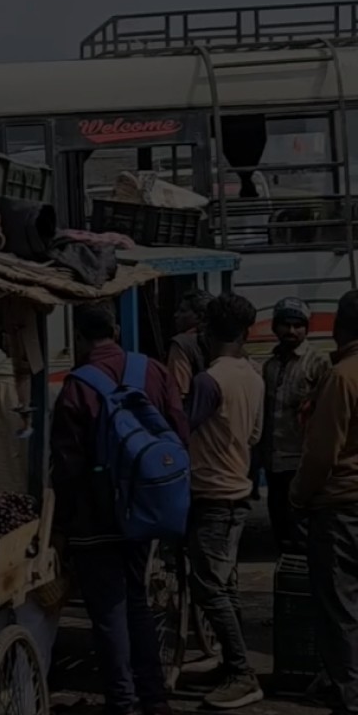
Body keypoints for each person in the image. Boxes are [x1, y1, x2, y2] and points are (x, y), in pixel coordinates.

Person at [50, 303, 187, 715]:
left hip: (95, 518)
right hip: (144, 511)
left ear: (78, 338)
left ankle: (123, 702)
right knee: (138, 601)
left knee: (108, 613)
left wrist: (62, 526)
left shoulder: (77, 386)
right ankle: (154, 697)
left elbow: (67, 466)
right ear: (115, 330)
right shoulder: (153, 370)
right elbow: (179, 432)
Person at [184, 293, 264, 709]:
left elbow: (179, 433)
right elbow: (253, 436)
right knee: (225, 588)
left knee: (211, 589)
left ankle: (241, 673)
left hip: (212, 495)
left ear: (207, 332)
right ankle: (229, 662)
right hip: (237, 492)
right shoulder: (253, 374)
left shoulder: (208, 381)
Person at [292, 289, 358, 715]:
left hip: (341, 506)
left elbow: (320, 455)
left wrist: (297, 496)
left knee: (341, 608)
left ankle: (349, 695)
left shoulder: (343, 376)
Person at [260, 297, 330, 554]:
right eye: (285, 325)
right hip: (274, 462)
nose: (291, 331)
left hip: (301, 462)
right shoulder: (270, 366)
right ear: (275, 328)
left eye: (297, 325)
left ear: (306, 328)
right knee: (280, 528)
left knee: (303, 530)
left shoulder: (318, 363)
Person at [166, 289, 214, 402]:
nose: (176, 315)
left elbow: (178, 390)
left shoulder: (181, 344)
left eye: (182, 311)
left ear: (199, 316)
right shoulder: (220, 341)